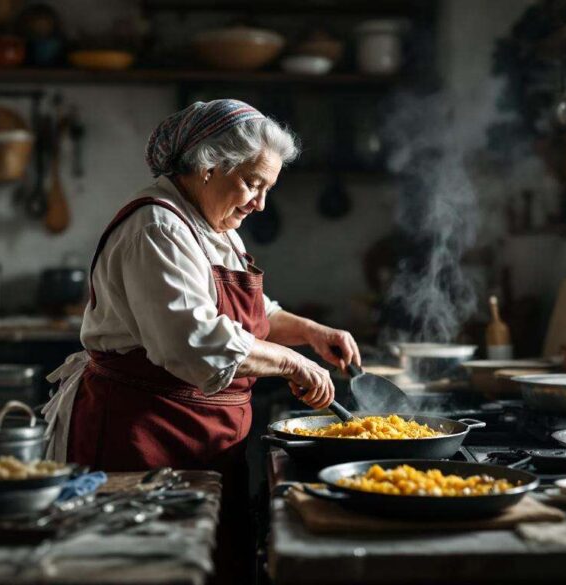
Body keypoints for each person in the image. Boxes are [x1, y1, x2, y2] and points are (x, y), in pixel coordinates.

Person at [42, 99, 360, 583]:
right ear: (209, 167)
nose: (260, 204)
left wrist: (312, 334)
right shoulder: (157, 227)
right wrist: (294, 365)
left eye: (267, 188)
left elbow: (255, 315)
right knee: (147, 568)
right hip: (144, 435)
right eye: (253, 184)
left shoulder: (210, 224)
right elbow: (194, 342)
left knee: (205, 564)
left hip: (203, 436)